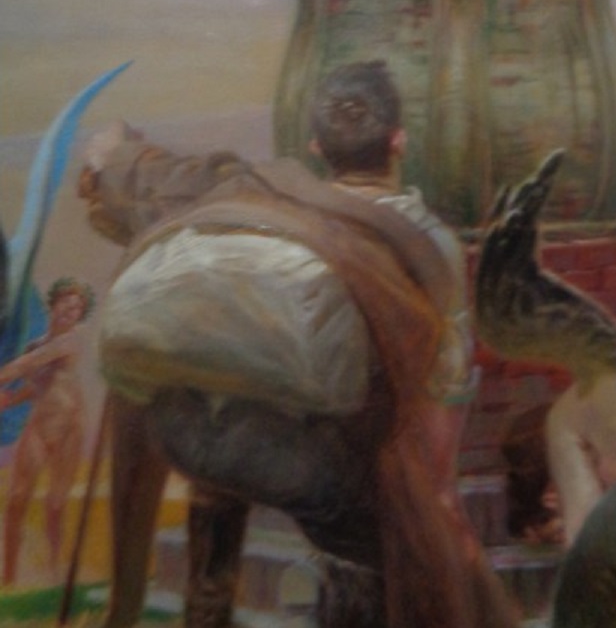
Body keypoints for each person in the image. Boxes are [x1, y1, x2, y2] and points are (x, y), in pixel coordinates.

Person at [79, 61, 516, 628]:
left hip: (182, 434)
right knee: (385, 543)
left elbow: (145, 170)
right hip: (295, 461)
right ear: (399, 141)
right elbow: (439, 427)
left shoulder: (269, 202)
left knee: (228, 448)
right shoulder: (426, 240)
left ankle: (207, 611)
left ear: (316, 146)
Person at [0, 277, 95, 585]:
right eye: (66, 303)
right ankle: (9, 576)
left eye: (77, 307)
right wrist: (10, 399)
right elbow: (34, 385)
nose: (70, 311)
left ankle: (55, 574)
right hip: (39, 427)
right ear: (53, 304)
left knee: (55, 504)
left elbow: (26, 365)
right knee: (16, 499)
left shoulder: (70, 341)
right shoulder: (37, 344)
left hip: (69, 428)